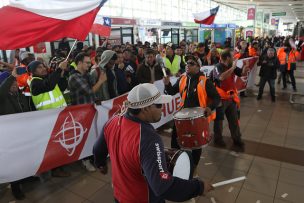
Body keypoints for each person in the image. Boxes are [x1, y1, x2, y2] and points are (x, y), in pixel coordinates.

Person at [93, 83, 213, 203]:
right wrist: (199, 187)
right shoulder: (148, 138)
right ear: (145, 108)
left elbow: (98, 149)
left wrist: (101, 164)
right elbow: (162, 186)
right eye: (159, 105)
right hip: (144, 199)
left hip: (120, 196)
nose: (163, 108)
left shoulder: (112, 122)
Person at [163, 55, 220, 176]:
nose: (188, 65)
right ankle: (176, 163)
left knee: (196, 144)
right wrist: (167, 84)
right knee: (175, 140)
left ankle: (193, 168)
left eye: (191, 63)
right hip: (181, 117)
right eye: (187, 63)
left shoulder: (205, 81)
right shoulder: (183, 78)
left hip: (197, 118)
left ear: (198, 67)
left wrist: (210, 107)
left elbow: (216, 97)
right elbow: (172, 91)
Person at [68, 52, 107, 171]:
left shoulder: (85, 74)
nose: (90, 65)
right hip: (81, 113)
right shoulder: (74, 77)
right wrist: (100, 81)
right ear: (79, 63)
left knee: (92, 134)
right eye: (87, 62)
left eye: (90, 62)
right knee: (84, 136)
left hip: (90, 109)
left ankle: (92, 157)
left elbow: (93, 85)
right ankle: (85, 160)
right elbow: (90, 91)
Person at [0, 68, 34, 200]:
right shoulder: (2, 98)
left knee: (25, 156)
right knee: (14, 162)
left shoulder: (19, 95)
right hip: (10, 136)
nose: (15, 84)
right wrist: (9, 78)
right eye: (11, 83)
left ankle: (26, 177)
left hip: (23, 132)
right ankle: (15, 187)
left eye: (15, 82)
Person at [210, 50, 248, 151]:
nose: (234, 58)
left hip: (231, 98)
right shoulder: (217, 67)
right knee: (219, 121)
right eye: (232, 56)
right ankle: (218, 139)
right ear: (227, 58)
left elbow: (242, 73)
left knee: (234, 120)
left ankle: (237, 139)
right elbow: (221, 77)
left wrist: (245, 67)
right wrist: (232, 68)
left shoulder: (231, 66)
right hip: (220, 99)